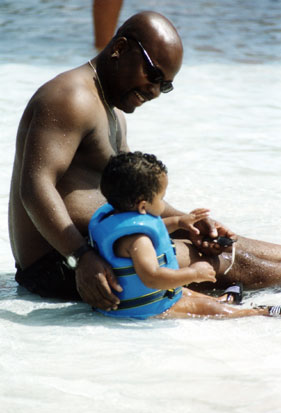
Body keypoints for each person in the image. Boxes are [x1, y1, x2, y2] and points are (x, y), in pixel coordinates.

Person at [8, 11, 281, 312]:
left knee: (228, 245)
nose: (154, 92)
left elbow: (134, 195)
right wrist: (81, 257)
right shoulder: (71, 97)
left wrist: (192, 224)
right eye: (152, 76)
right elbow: (35, 187)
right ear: (120, 48)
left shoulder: (114, 111)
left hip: (102, 247)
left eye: (165, 85)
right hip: (61, 264)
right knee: (224, 262)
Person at [89, 151, 280, 319]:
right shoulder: (139, 240)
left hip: (152, 297)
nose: (163, 203)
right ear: (142, 205)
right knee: (211, 309)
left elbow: (157, 226)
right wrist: (193, 274)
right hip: (150, 309)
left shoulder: (115, 217)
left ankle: (225, 300)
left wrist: (179, 222)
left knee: (186, 293)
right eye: (161, 198)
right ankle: (259, 312)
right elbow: (152, 277)